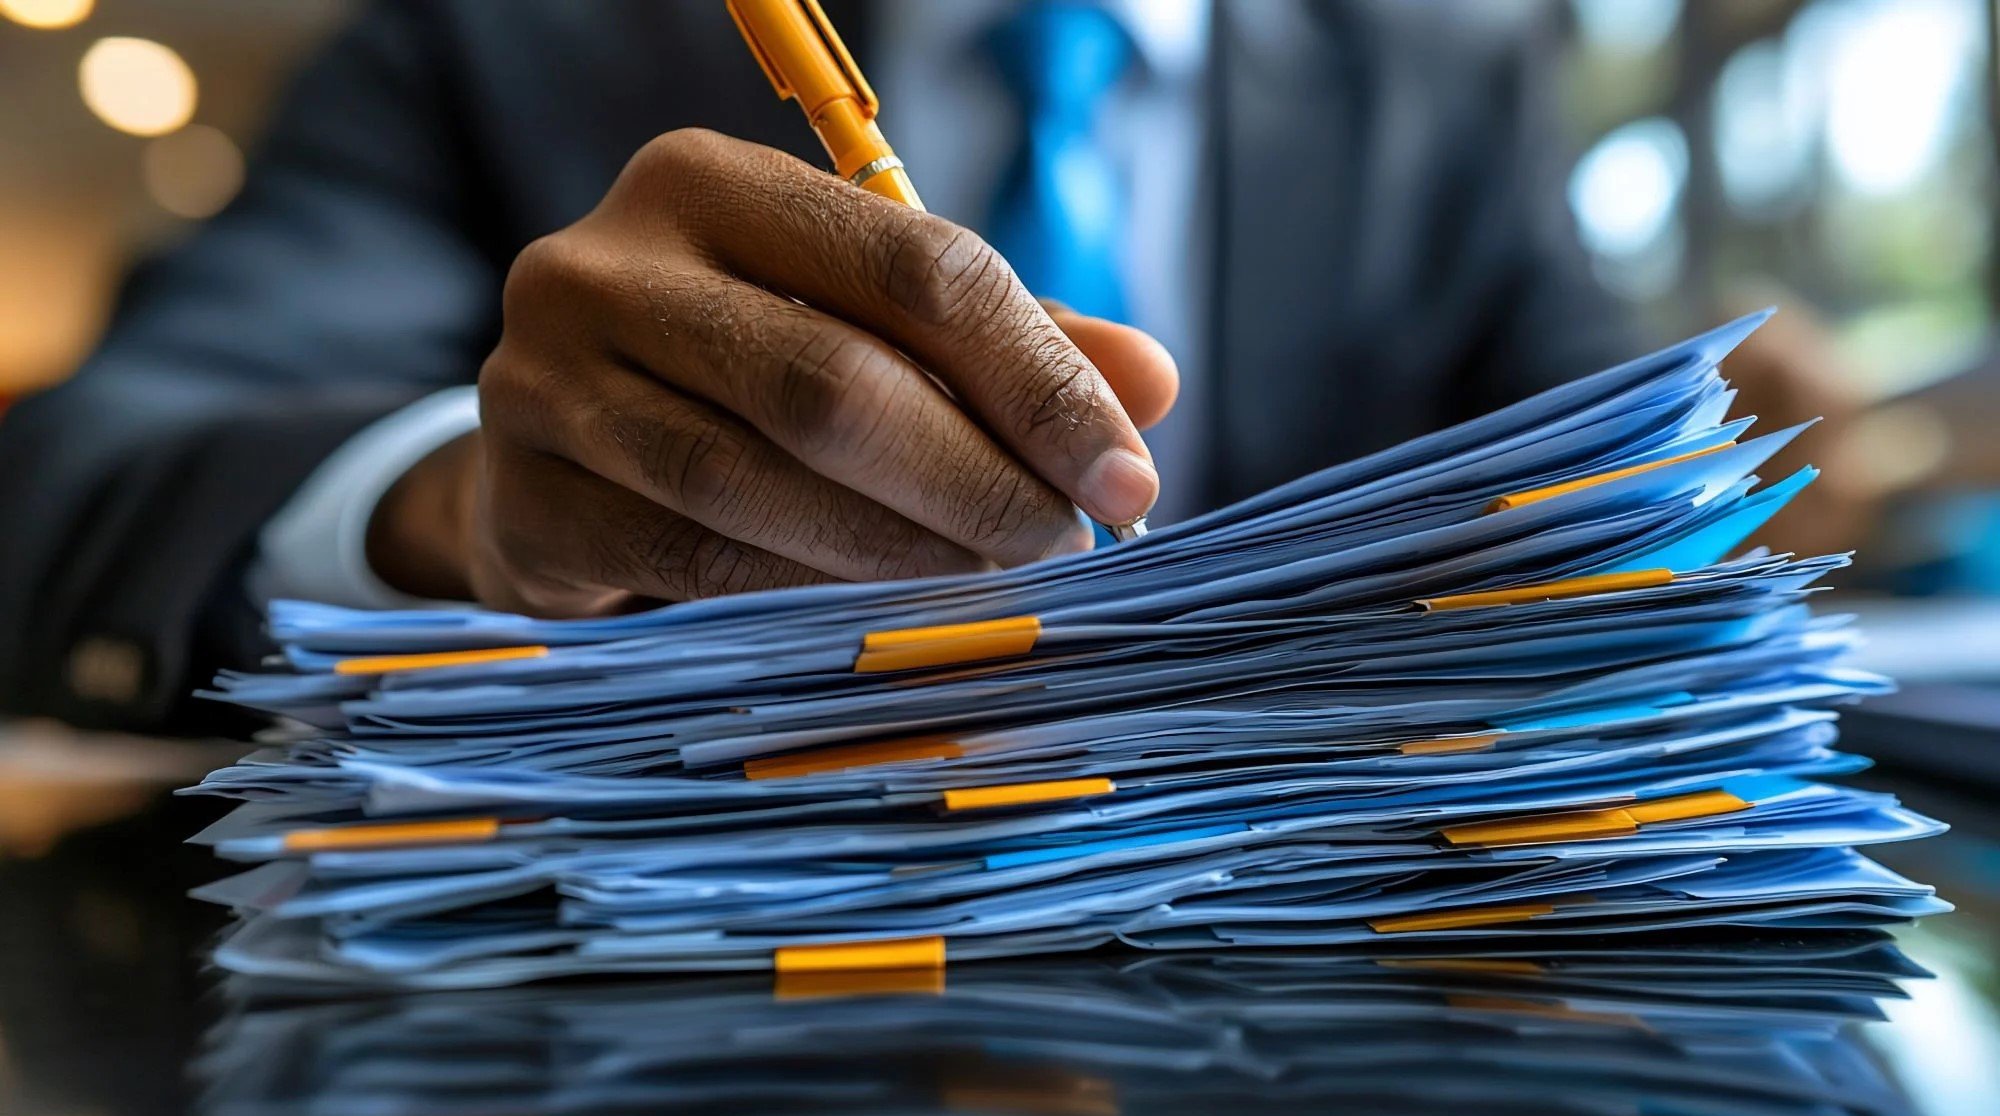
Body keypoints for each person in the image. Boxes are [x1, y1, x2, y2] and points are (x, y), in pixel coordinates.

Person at [0, 0, 1643, 732]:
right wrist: (471, 510)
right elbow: (83, 479)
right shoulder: (489, 37)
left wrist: (1713, 484)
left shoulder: (1452, 71)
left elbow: (1614, 486)